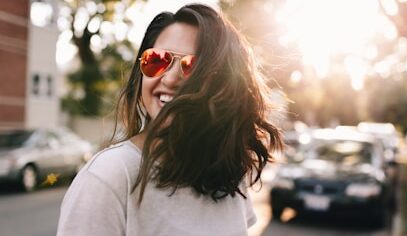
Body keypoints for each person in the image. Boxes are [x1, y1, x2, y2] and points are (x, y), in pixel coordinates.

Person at [57, 4, 282, 236]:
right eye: (157, 60)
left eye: (193, 67)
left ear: (224, 85)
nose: (170, 78)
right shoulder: (108, 176)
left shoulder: (227, 174)